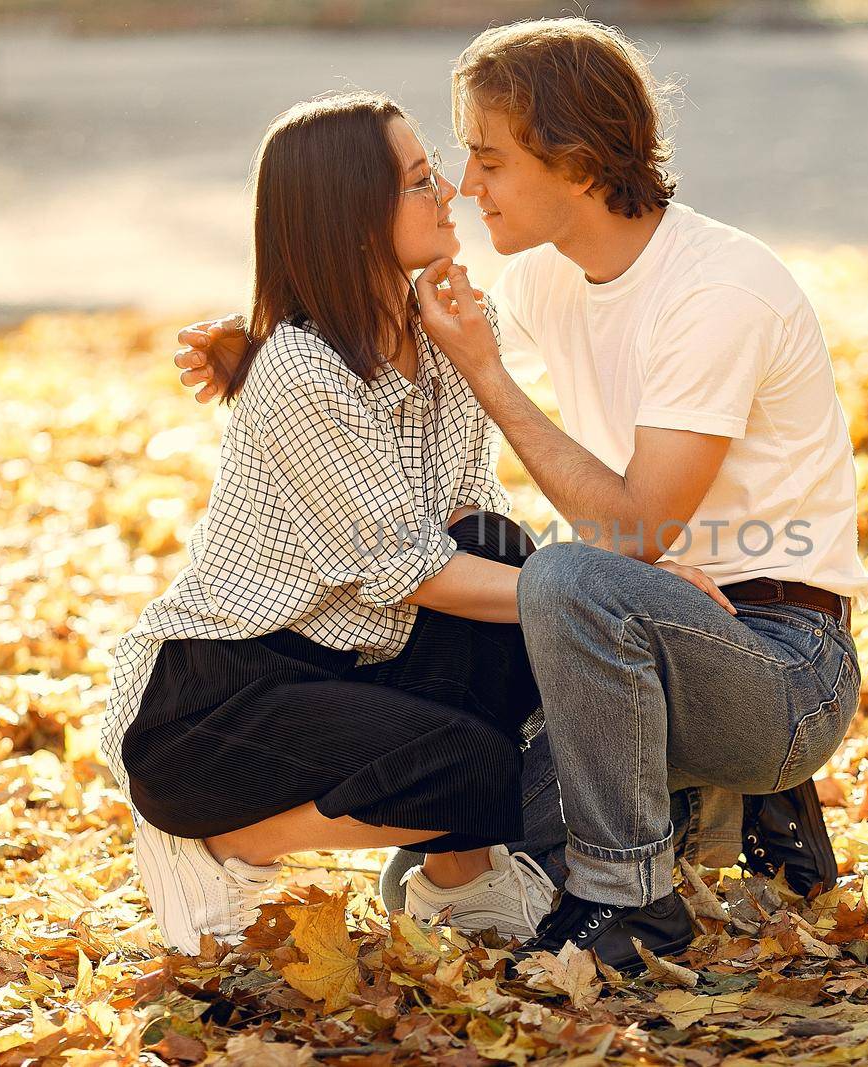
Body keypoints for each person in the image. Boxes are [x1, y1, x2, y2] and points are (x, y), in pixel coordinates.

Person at [173, 19, 868, 975]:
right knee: (448, 858)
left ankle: (636, 904)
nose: (464, 185)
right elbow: (374, 312)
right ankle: (702, 795)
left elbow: (634, 528)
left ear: (576, 161)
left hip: (779, 658)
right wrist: (259, 342)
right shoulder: (546, 279)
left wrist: (493, 379)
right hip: (631, 640)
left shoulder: (721, 293)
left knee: (568, 576)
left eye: (488, 158)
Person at [99, 91, 571, 956]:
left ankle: (457, 889)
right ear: (355, 215)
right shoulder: (300, 372)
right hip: (215, 704)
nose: (452, 195)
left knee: (501, 550)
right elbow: (417, 573)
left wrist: (478, 360)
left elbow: (468, 519)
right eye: (423, 181)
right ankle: (220, 843)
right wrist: (590, 598)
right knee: (476, 762)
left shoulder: (448, 335)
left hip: (354, 664)